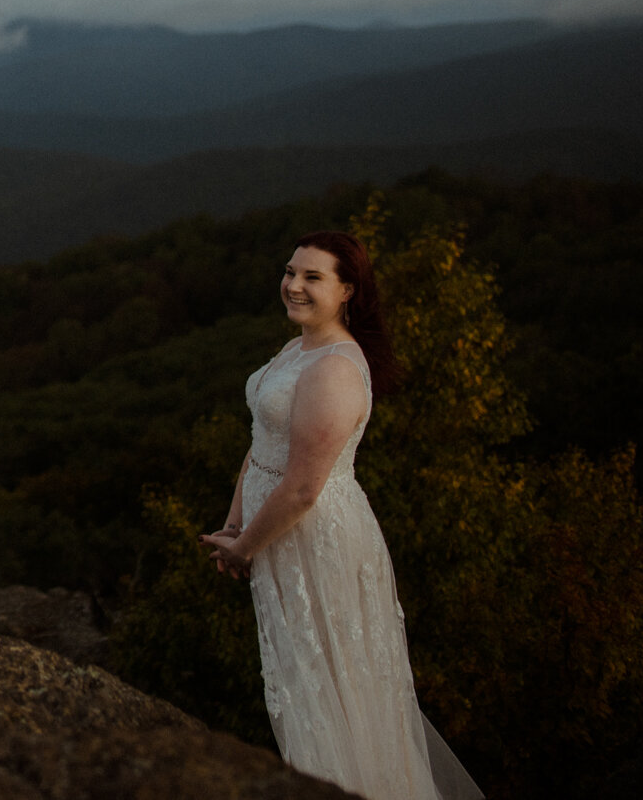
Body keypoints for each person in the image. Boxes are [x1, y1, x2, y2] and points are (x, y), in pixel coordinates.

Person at [199, 231, 481, 800]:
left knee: (328, 689)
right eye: (290, 272)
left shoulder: (335, 368)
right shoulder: (296, 348)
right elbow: (263, 446)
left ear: (348, 290)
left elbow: (304, 487)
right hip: (274, 533)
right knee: (304, 683)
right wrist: (235, 524)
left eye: (312, 277)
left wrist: (246, 545)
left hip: (313, 539)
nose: (293, 285)